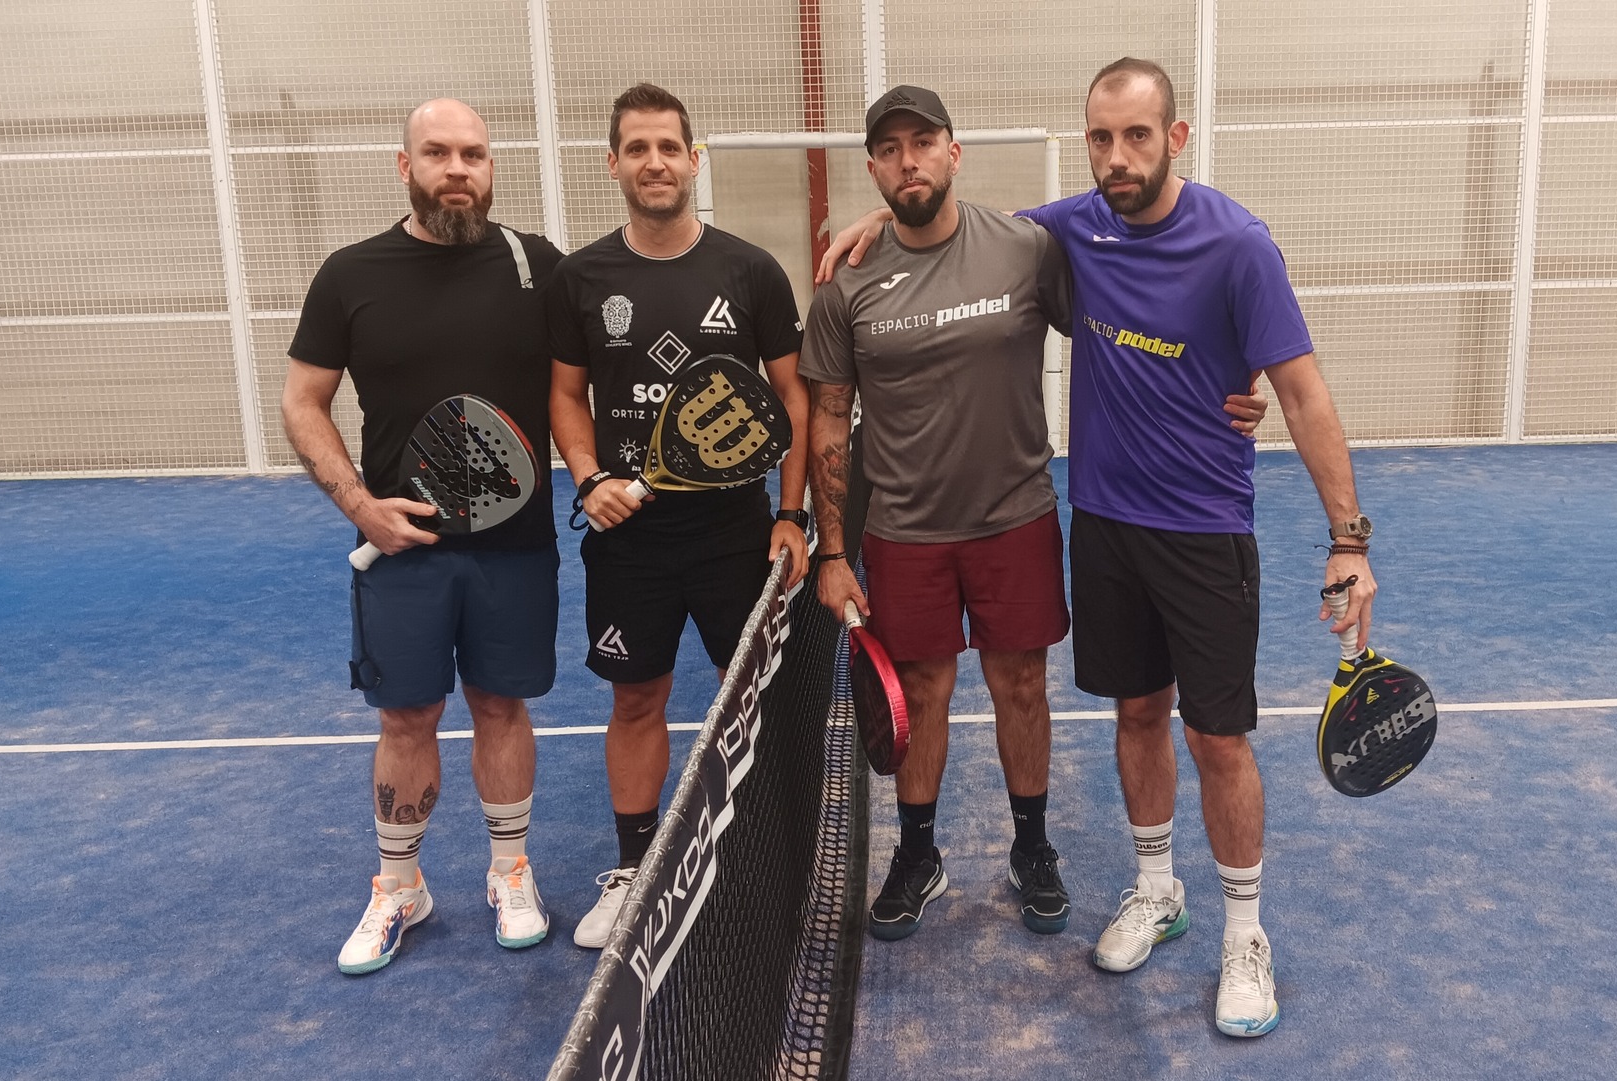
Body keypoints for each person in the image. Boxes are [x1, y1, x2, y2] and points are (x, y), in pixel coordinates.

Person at [822, 58, 1378, 1037]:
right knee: (1137, 714)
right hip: (1108, 525)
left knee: (1217, 737)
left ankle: (1245, 932)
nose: (1118, 156)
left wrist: (1348, 538)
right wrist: (882, 220)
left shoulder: (1238, 244)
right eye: (1101, 137)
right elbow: (950, 230)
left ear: (1177, 136)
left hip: (1205, 529)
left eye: (1137, 135)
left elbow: (1301, 389)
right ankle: (1156, 889)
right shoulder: (1069, 229)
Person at [281, 98, 564, 975]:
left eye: (473, 154)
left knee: (500, 705)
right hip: (401, 548)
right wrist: (359, 504)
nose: (457, 169)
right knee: (406, 715)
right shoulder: (350, 274)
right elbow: (302, 401)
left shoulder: (538, 266)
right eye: (437, 153)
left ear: (491, 166)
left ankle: (509, 871)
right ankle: (400, 885)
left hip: (516, 545)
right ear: (404, 166)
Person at [801, 86, 1076, 942]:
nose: (908, 159)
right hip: (904, 530)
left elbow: (1119, 319)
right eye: (889, 149)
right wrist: (832, 551)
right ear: (874, 168)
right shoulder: (846, 283)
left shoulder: (1026, 248)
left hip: (1015, 516)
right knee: (920, 692)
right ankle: (918, 854)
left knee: (1021, 684)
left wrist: (1224, 381)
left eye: (923, 142)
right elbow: (829, 418)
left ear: (954, 152)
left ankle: (1032, 847)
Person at [545, 83, 810, 949]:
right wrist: (589, 478)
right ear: (613, 163)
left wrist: (793, 513)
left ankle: (762, 856)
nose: (654, 162)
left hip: (735, 531)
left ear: (694, 160)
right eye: (637, 148)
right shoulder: (581, 279)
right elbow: (566, 393)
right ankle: (633, 867)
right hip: (629, 539)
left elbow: (793, 401)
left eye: (669, 147)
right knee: (637, 697)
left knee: (749, 697)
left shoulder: (750, 271)